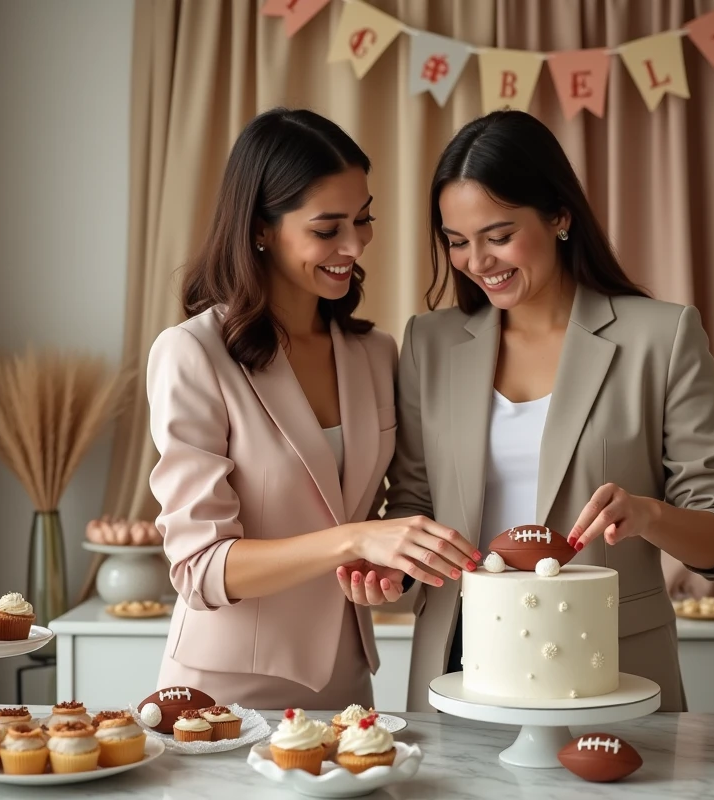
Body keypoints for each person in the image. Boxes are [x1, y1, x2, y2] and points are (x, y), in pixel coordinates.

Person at [338, 110, 714, 711]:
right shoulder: (431, 343)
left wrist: (647, 515)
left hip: (610, 668)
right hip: (458, 660)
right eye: (457, 242)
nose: (477, 262)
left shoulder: (660, 337)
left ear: (559, 215)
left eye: (498, 235)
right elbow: (416, 503)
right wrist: (393, 574)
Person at [147, 108, 478, 709]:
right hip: (223, 693)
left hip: (346, 683)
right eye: (328, 229)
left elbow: (380, 512)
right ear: (259, 229)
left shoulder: (375, 352)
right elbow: (200, 569)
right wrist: (354, 540)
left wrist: (385, 570)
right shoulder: (193, 354)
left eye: (363, 219)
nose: (354, 245)